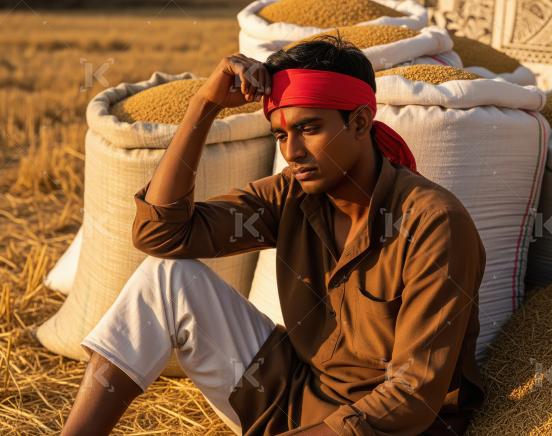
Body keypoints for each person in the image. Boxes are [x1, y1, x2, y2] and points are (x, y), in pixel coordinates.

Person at [61, 36, 486, 436]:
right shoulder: (292, 193)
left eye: (309, 128)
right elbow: (162, 233)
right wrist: (205, 105)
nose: (292, 152)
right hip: (292, 395)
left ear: (359, 121)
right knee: (166, 279)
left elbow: (412, 396)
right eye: (281, 134)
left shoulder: (433, 224)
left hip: (378, 429)